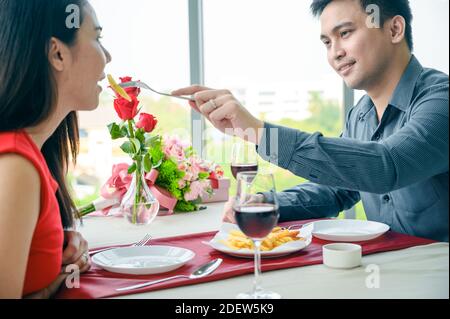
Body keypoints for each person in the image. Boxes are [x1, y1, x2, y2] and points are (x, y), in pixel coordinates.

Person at [172, 0, 449, 242]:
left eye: (345, 33)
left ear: (394, 29)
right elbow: (337, 190)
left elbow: (387, 166)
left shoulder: (440, 100)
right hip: (390, 272)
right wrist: (266, 202)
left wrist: (261, 133)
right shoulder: (360, 115)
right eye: (327, 42)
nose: (335, 52)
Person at [0, 0, 111, 298]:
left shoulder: (29, 154)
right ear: (57, 53)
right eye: (98, 38)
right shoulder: (14, 164)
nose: (108, 57)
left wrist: (49, 248)